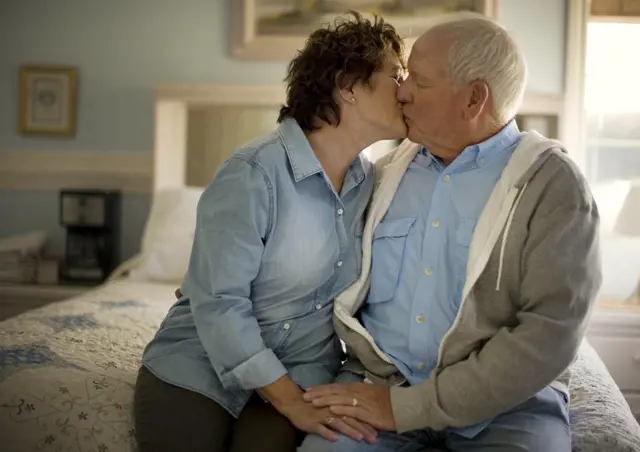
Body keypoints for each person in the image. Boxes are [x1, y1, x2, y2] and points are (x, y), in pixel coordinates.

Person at [299, 12, 602, 452]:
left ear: (474, 99)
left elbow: (550, 333)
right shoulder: (382, 175)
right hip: (382, 388)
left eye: (418, 81)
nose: (400, 92)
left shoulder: (552, 187)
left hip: (505, 411)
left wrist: (408, 409)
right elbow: (317, 260)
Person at [133, 12, 407, 452]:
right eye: (396, 75)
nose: (406, 89)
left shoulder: (373, 184)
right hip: (199, 361)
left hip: (303, 368)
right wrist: (289, 402)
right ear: (349, 87)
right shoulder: (253, 173)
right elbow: (219, 303)